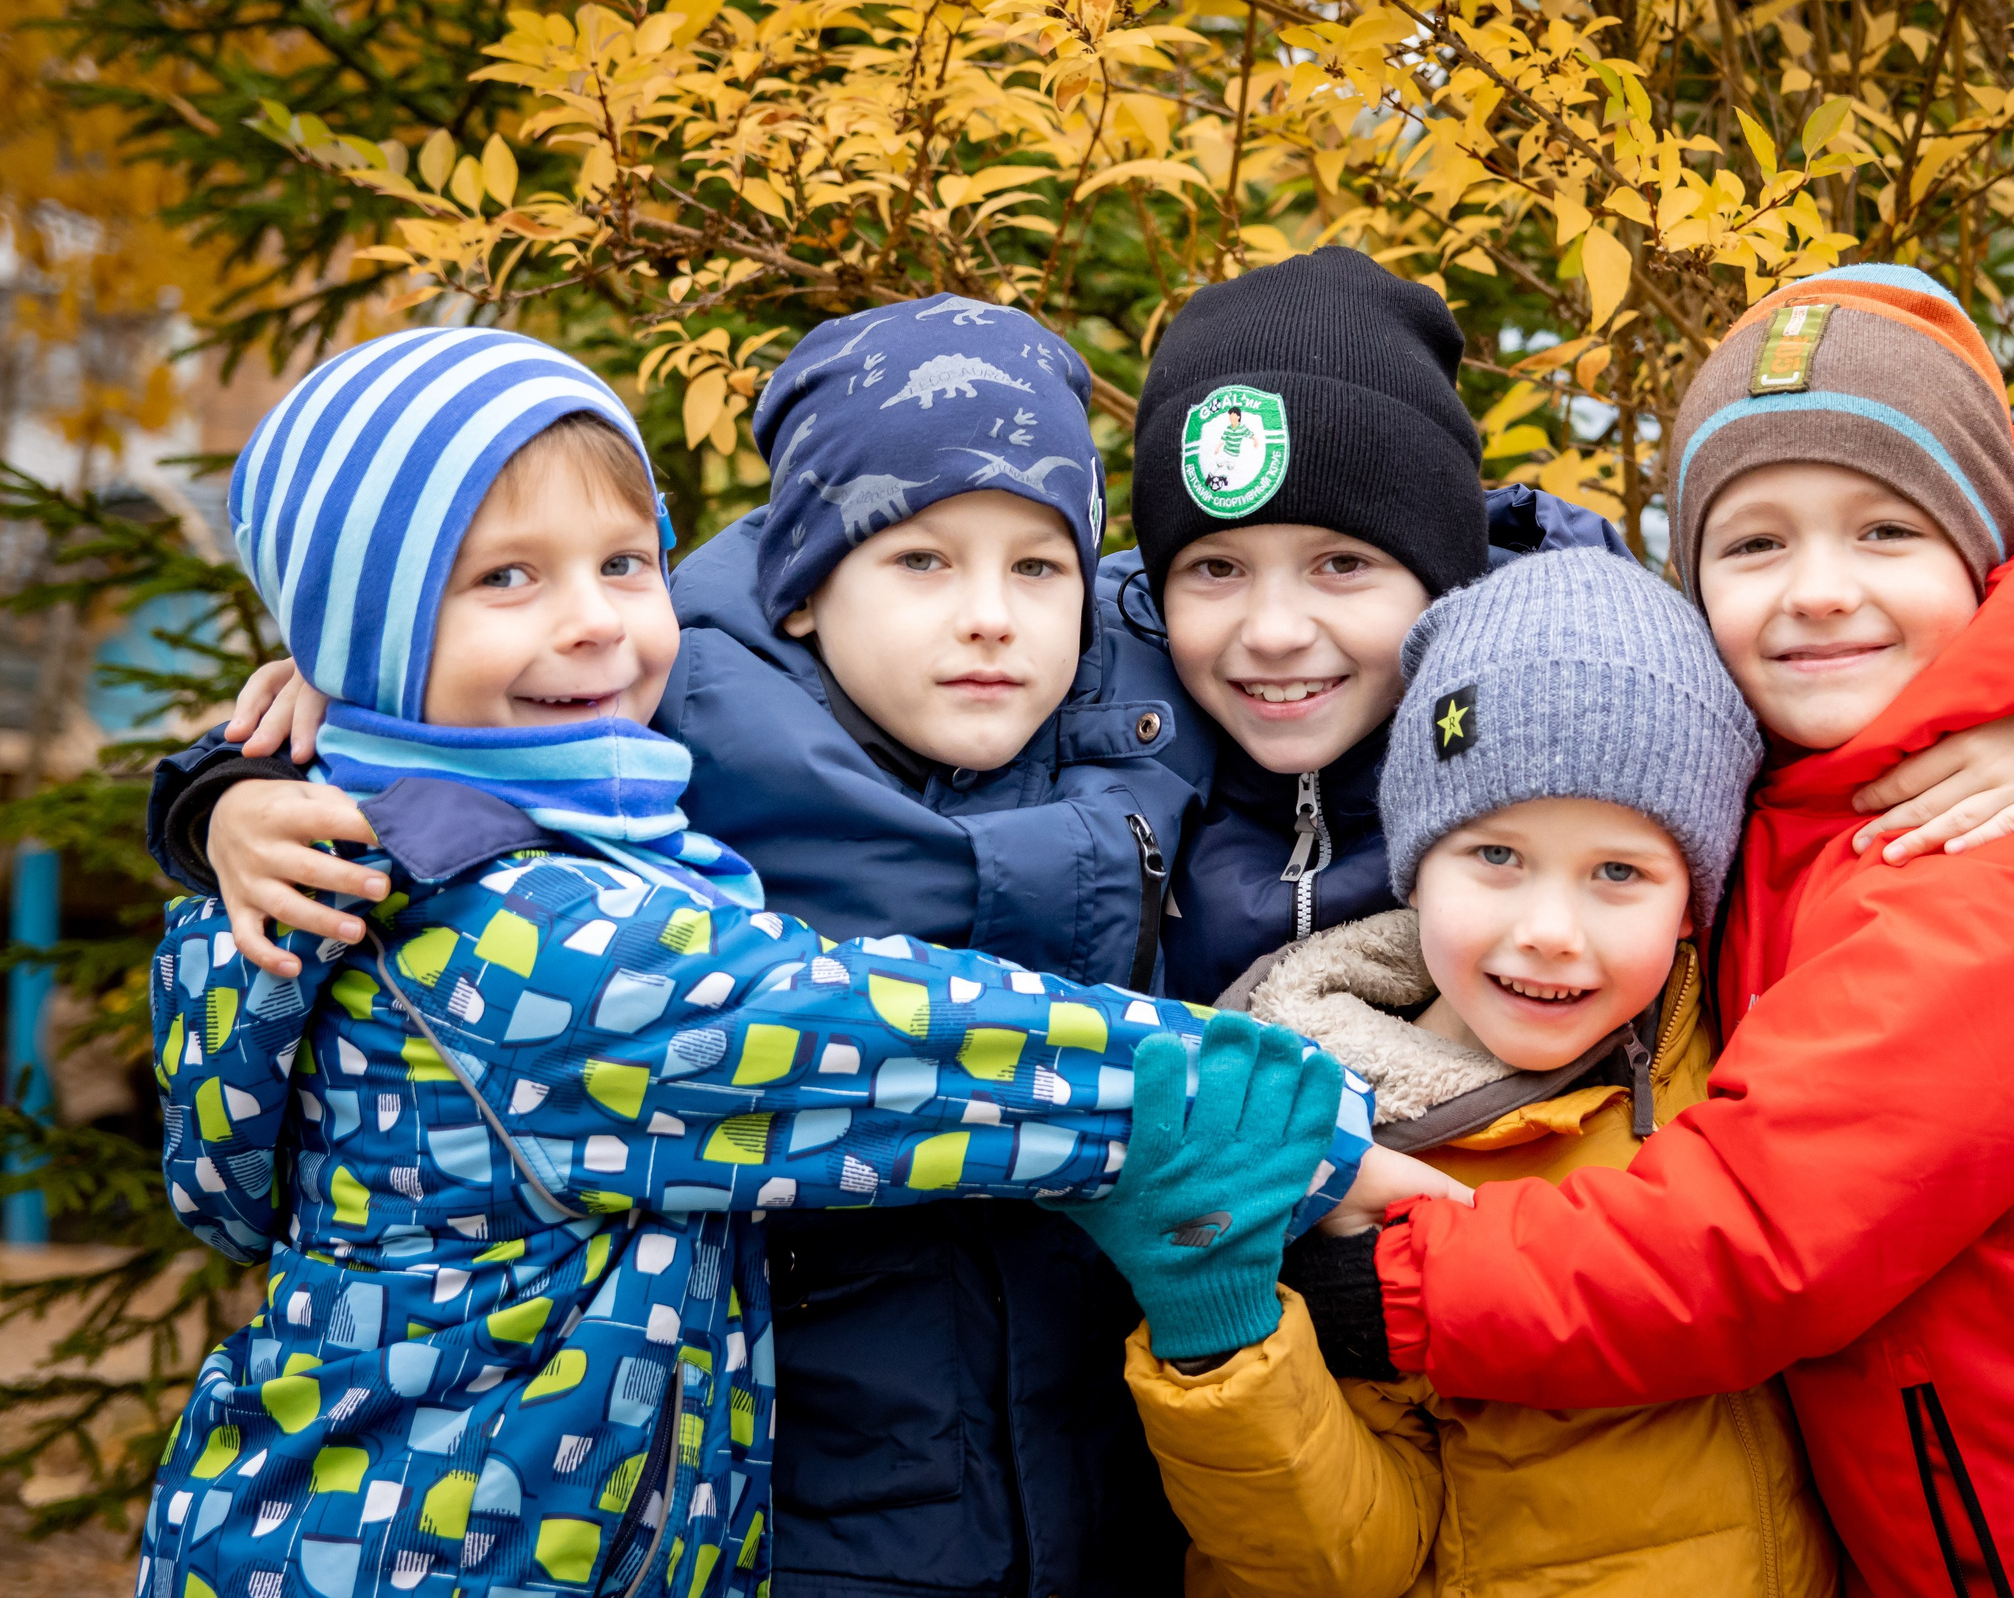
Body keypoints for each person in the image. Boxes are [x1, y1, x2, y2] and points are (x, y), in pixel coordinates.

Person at [138, 327, 1375, 1598]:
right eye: (506, 578)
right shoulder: (522, 937)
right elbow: (891, 1044)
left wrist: (238, 781)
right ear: (364, 634)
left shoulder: (448, 832)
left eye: (625, 564)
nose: (592, 622)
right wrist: (1290, 1117)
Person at [1217, 264, 2014, 1594]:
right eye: (1756, 542)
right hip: (1961, 1512)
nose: (1816, 589)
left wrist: (1393, 1287)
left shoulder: (1996, 878)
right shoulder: (1816, 782)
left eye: (1885, 531)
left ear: (1988, 562)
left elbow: (1752, 1239)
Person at [1076, 546, 1841, 1595]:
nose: (1548, 932)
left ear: (1695, 898)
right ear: (1413, 863)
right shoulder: (1325, 1123)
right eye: (1494, 858)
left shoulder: (1755, 1052)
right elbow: (1345, 1559)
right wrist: (1223, 1339)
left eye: (1619, 872)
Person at [1112, 246, 2014, 1006]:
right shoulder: (1084, 685)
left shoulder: (1593, 685)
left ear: (1446, 577)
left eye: (1342, 563)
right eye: (1214, 568)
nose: (1276, 629)